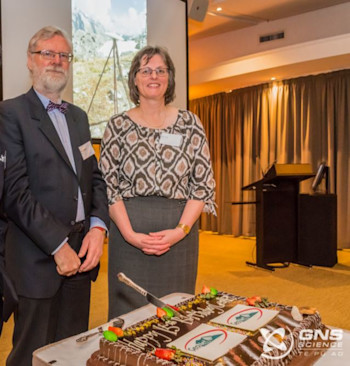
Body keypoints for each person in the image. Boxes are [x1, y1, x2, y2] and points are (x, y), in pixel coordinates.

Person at [0, 26, 109, 366]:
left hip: (82, 255)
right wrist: (58, 246)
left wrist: (97, 227)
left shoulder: (78, 117)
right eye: (48, 53)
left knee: (73, 350)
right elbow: (14, 192)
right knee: (31, 354)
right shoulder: (11, 113)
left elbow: (96, 179)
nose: (57, 61)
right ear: (31, 62)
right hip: (37, 259)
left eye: (64, 55)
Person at [99, 45, 216, 318]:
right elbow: (108, 186)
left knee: (176, 314)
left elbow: (202, 185)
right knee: (128, 316)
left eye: (160, 70)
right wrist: (129, 235)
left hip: (179, 235)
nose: (154, 76)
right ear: (135, 78)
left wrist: (180, 231)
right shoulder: (117, 126)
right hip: (128, 234)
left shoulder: (190, 123)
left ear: (170, 77)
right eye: (146, 70)